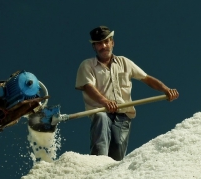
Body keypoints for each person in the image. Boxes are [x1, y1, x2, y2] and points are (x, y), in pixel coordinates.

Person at [75, 26, 179, 161]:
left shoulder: (124, 62)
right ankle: (97, 165)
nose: (104, 46)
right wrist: (105, 102)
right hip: (100, 109)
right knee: (100, 123)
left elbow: (146, 78)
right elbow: (88, 86)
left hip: (123, 115)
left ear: (113, 43)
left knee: (118, 149)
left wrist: (166, 90)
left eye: (106, 42)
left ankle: (112, 175)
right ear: (94, 47)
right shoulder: (87, 65)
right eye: (99, 43)